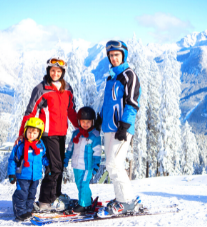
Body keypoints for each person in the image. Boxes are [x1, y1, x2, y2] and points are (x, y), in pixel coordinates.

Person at [20, 57, 79, 211]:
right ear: (48, 71)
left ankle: (56, 195)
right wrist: (22, 134)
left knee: (59, 165)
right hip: (47, 133)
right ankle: (46, 201)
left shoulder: (67, 89)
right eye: (52, 70)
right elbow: (30, 113)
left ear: (63, 72)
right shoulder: (41, 89)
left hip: (61, 133)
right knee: (54, 167)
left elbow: (71, 111)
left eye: (58, 71)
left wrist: (81, 127)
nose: (55, 73)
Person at [99, 40, 142, 215]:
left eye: (117, 55)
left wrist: (125, 125)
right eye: (111, 55)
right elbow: (107, 104)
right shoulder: (111, 77)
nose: (114, 58)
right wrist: (99, 119)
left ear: (123, 55)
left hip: (121, 127)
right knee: (111, 166)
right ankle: (122, 198)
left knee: (115, 163)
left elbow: (132, 103)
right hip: (109, 127)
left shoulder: (128, 75)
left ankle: (127, 202)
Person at [7, 117, 49, 222]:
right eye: (29, 132)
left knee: (32, 195)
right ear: (25, 131)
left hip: (36, 176)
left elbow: (43, 158)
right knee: (22, 194)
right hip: (23, 175)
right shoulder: (20, 146)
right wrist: (11, 174)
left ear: (39, 134)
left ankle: (28, 210)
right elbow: (12, 160)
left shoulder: (40, 145)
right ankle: (20, 213)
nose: (31, 135)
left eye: (34, 133)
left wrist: (48, 165)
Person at [62, 107, 103, 215]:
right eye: (83, 122)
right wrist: (66, 159)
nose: (85, 124)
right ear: (79, 121)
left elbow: (97, 153)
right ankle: (87, 198)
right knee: (78, 183)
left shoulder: (94, 136)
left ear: (92, 122)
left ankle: (84, 205)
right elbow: (70, 148)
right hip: (76, 165)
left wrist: (95, 166)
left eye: (88, 122)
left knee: (83, 184)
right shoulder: (76, 134)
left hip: (87, 167)